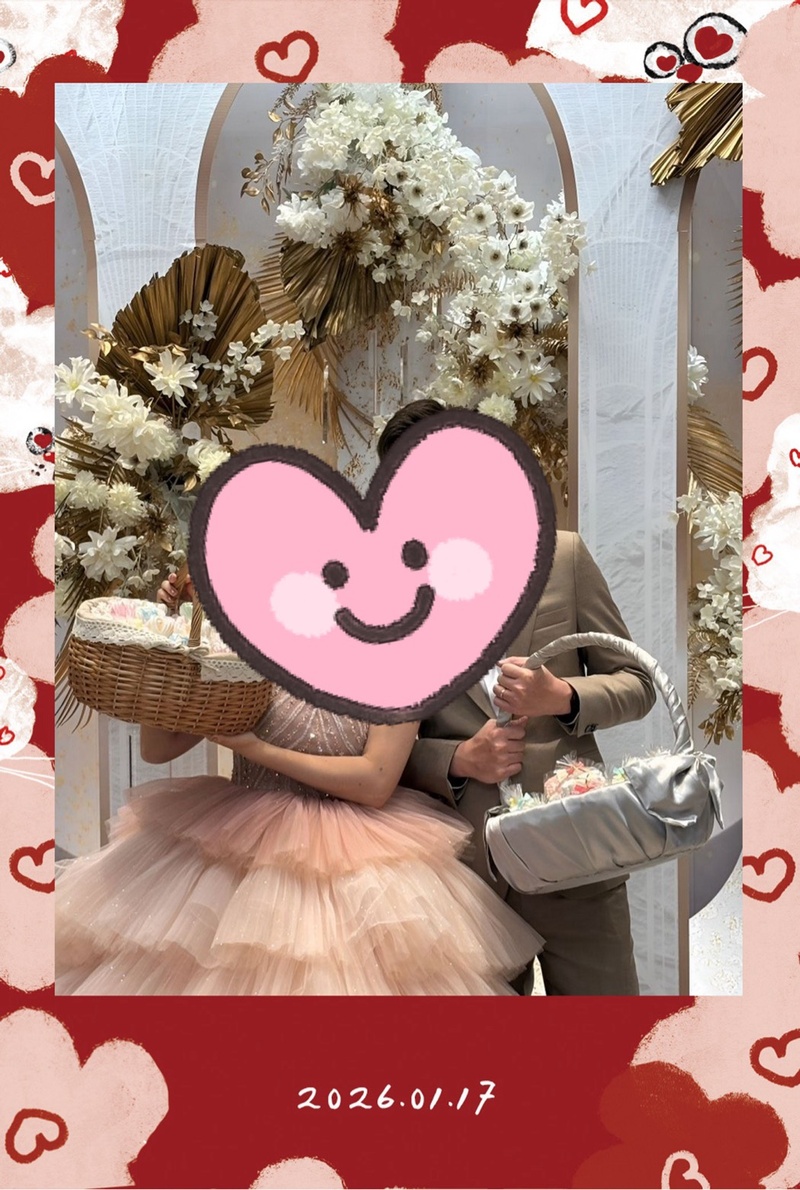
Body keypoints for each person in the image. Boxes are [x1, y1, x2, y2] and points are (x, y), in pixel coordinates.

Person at [55, 588, 542, 995]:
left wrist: (255, 748)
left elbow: (375, 781)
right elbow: (158, 748)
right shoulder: (250, 639)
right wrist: (168, 645)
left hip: (359, 862)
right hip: (230, 848)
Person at [378, 400, 657, 996]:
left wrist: (563, 695)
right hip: (465, 876)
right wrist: (456, 759)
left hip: (579, 857)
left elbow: (638, 684)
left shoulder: (562, 557)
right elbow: (376, 748)